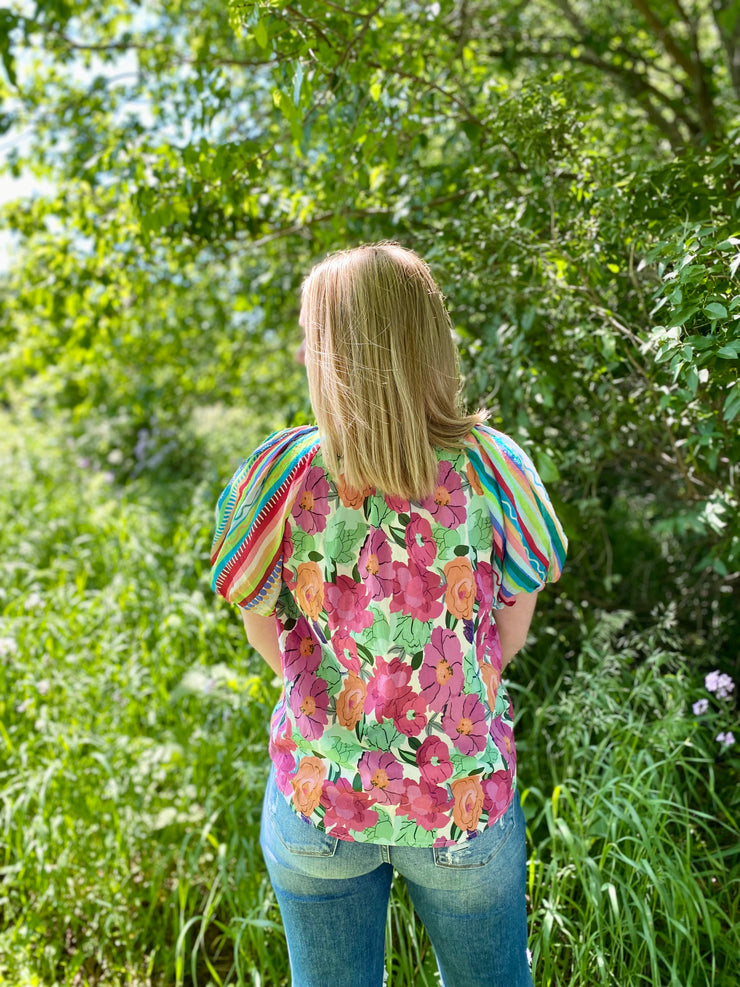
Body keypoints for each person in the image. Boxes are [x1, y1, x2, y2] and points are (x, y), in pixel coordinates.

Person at [210, 243, 567, 987]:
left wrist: (344, 693)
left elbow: (259, 626)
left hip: (320, 799)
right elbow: (512, 631)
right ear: (428, 342)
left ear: (328, 354)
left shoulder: (276, 476)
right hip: (461, 805)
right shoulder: (495, 466)